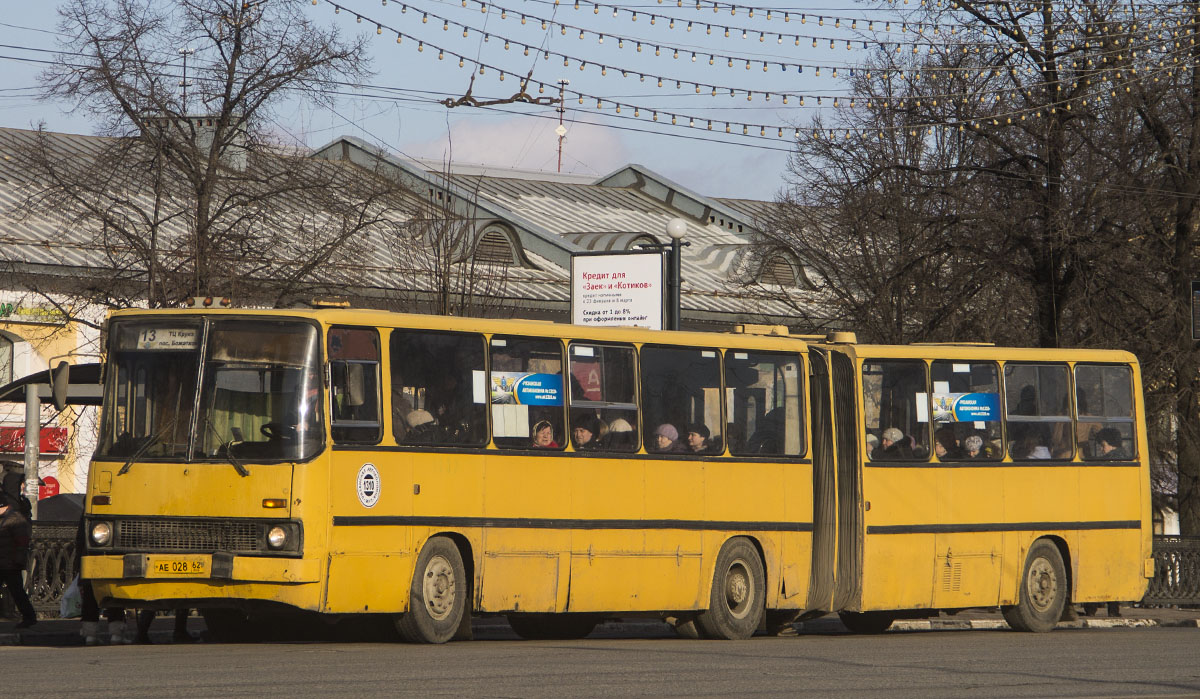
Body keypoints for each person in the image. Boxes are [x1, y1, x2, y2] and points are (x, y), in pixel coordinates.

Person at [0, 491, 36, 629]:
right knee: (17, 592)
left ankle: (29, 617)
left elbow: (22, 543)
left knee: (17, 592)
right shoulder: (7, 518)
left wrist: (18, 561)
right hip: (4, 562)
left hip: (11, 563)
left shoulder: (15, 520)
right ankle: (29, 617)